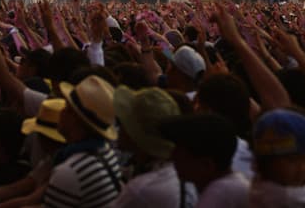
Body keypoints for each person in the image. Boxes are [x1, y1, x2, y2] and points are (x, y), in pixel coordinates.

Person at [43, 75, 121, 208]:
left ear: (75, 119)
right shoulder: (105, 152)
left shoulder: (70, 172)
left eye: (67, 108)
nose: (61, 112)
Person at [113, 85, 196, 207]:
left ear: (136, 135)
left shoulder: (141, 190)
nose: (119, 128)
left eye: (125, 122)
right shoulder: (182, 172)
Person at [160, 113, 250, 208]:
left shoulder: (219, 194)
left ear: (207, 165)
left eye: (181, 155)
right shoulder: (232, 186)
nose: (172, 157)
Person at [247, 108, 305, 207]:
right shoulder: (286, 196)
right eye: (292, 160)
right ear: (267, 161)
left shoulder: (259, 183)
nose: (301, 169)